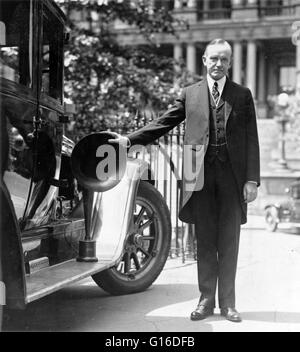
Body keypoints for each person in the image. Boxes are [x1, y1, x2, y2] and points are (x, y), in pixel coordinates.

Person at [109, 38, 260, 323]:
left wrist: (252, 180)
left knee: (229, 239)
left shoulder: (242, 94)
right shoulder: (190, 93)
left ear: (230, 63)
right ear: (204, 61)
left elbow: (252, 138)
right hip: (197, 173)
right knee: (203, 240)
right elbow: (164, 122)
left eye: (223, 60)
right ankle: (205, 301)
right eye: (213, 59)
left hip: (232, 175)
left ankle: (228, 303)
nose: (218, 64)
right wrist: (129, 140)